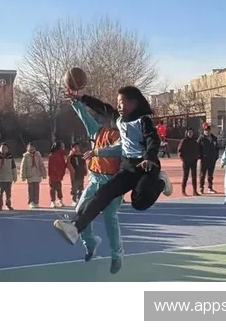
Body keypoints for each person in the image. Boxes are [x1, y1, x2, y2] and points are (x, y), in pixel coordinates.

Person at [54, 86, 173, 246]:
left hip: (146, 166)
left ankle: (161, 182)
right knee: (102, 195)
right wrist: (81, 98)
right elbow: (101, 107)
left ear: (134, 103)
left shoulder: (143, 120)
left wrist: (150, 158)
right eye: (118, 102)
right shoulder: (118, 119)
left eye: (122, 102)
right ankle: (75, 227)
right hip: (128, 167)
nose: (119, 106)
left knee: (138, 202)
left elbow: (153, 139)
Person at [67, 91, 124, 273]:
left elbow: (118, 149)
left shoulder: (121, 135)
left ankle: (117, 255)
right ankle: (90, 242)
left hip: (113, 182)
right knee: (80, 211)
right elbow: (85, 117)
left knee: (110, 218)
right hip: (95, 179)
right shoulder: (97, 130)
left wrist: (98, 152)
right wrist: (75, 102)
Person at [0, 142, 17, 211]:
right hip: (0, 179)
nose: (3, 149)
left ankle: (8, 205)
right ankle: (0, 205)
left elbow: (13, 169)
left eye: (5, 148)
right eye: (2, 148)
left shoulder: (10, 158)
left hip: (8, 179)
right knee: (0, 194)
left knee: (8, 194)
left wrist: (15, 177)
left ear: (7, 149)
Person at [20, 142, 47, 209]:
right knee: (31, 190)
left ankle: (36, 202)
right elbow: (23, 167)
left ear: (34, 148)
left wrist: (44, 174)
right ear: (27, 148)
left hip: (37, 174)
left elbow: (41, 165)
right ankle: (31, 202)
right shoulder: (26, 156)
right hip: (30, 175)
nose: (31, 149)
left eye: (32, 147)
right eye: (30, 148)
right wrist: (23, 176)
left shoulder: (38, 155)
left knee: (36, 190)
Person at [177, 128, 201, 196]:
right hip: (186, 162)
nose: (190, 134)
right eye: (189, 133)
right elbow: (179, 150)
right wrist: (183, 158)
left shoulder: (195, 141)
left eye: (191, 133)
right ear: (187, 133)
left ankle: (194, 191)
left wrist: (197, 157)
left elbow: (198, 150)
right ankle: (183, 191)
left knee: (194, 176)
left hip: (193, 161)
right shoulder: (184, 141)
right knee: (185, 176)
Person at [197, 123, 218, 194]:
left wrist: (216, 156)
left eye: (208, 130)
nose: (207, 131)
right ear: (204, 130)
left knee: (210, 175)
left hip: (212, 159)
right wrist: (200, 156)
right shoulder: (201, 138)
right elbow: (197, 148)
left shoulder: (214, 138)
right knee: (202, 175)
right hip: (204, 159)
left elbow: (217, 148)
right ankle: (201, 188)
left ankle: (210, 187)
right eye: (206, 130)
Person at [48, 141, 69, 208]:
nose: (64, 147)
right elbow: (53, 167)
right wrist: (57, 174)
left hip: (59, 175)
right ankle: (53, 202)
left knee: (59, 188)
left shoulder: (60, 155)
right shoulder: (53, 155)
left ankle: (60, 200)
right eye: (62, 146)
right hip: (54, 175)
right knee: (53, 189)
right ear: (59, 147)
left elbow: (62, 165)